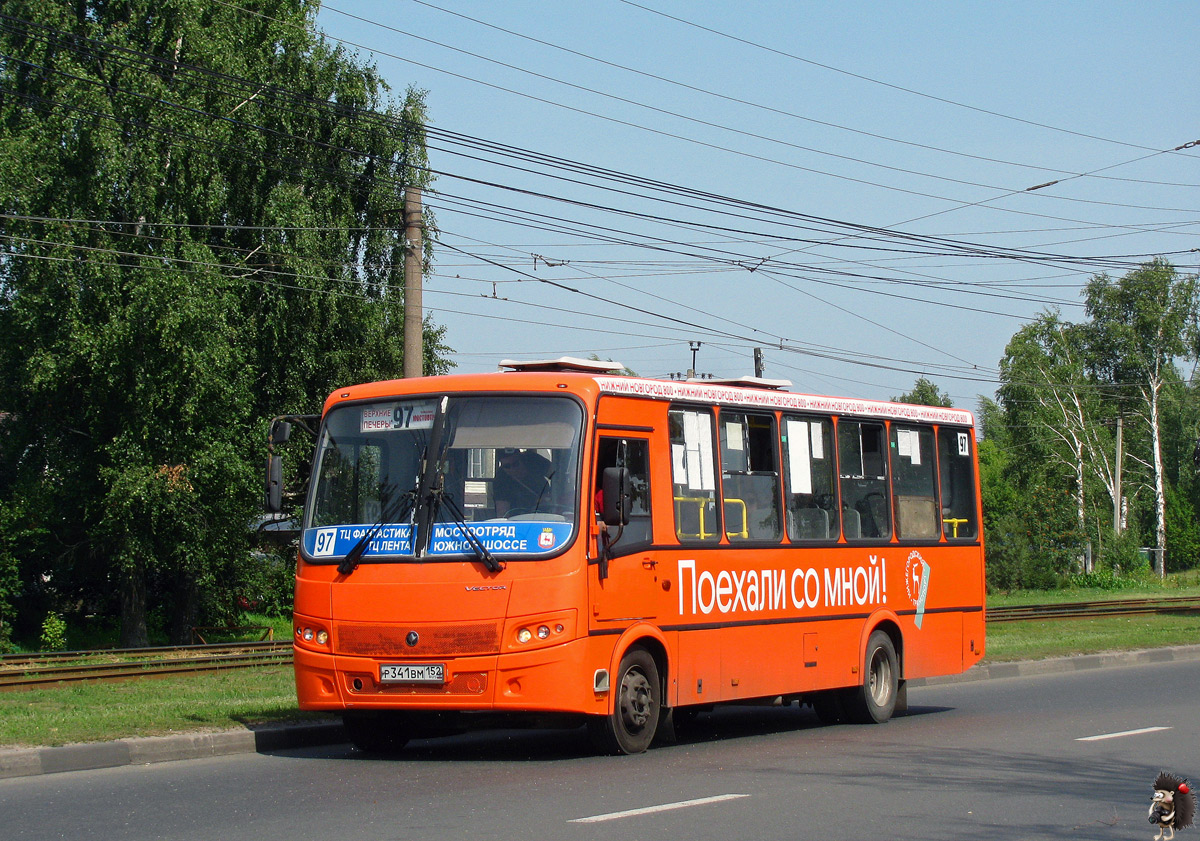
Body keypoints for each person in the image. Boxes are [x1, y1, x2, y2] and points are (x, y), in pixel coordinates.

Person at [494, 449, 551, 516]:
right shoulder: (501, 479)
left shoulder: (534, 460)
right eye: (507, 466)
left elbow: (558, 476)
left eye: (515, 464)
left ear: (522, 459)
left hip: (548, 512)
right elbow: (502, 512)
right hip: (518, 518)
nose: (512, 469)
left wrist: (549, 497)